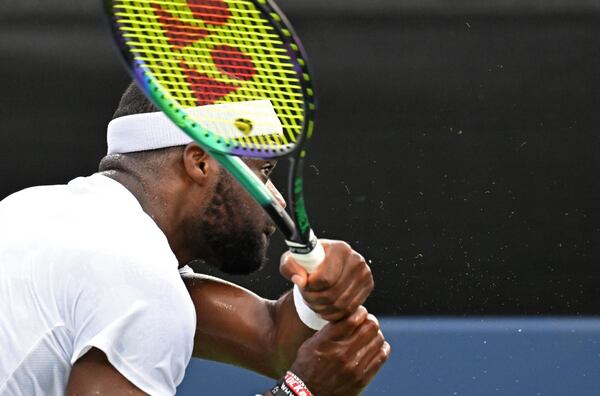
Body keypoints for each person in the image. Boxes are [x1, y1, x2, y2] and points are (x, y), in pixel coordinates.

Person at [0, 83, 390, 396]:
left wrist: (315, 299)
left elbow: (272, 342)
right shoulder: (135, 273)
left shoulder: (32, 210)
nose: (277, 200)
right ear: (199, 162)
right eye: (264, 170)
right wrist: (299, 393)